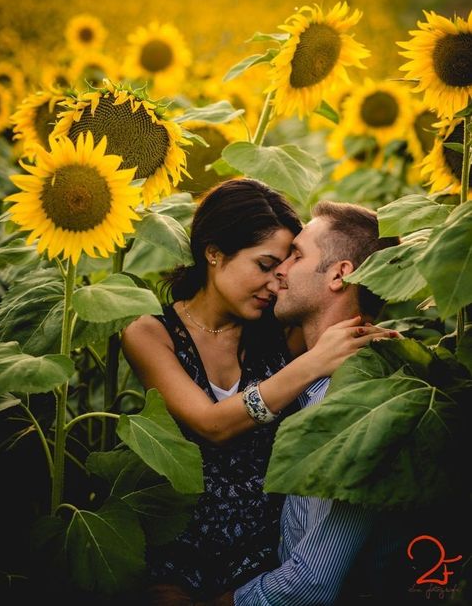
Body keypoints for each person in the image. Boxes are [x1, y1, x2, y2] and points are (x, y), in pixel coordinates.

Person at [121, 180, 395, 605]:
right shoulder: (151, 334)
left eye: (287, 262)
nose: (276, 280)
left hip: (264, 558)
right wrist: (313, 361)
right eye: (265, 264)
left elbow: (340, 312)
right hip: (179, 554)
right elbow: (210, 425)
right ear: (214, 253)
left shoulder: (278, 329)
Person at [233, 200, 410, 606]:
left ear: (339, 274)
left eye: (297, 254)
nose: (281, 269)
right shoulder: (320, 379)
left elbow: (310, 585)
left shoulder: (352, 408)